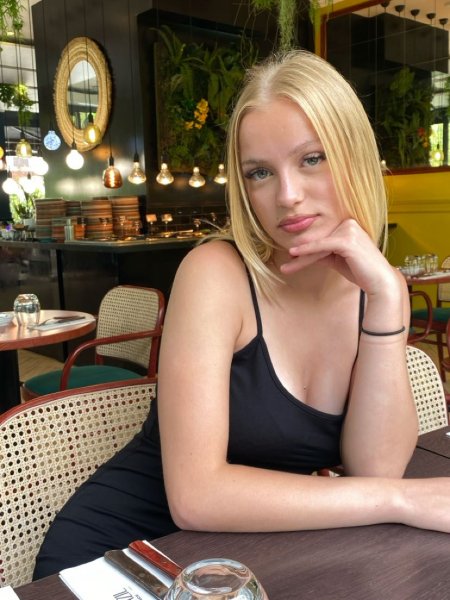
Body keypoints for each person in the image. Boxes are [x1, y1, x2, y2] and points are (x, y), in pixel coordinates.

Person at [33, 49, 450, 579]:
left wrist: (389, 297)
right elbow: (197, 496)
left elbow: (376, 468)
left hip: (243, 563)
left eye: (312, 158)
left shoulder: (372, 291)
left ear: (355, 156)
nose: (288, 196)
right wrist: (402, 500)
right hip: (123, 556)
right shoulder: (216, 273)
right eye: (260, 173)